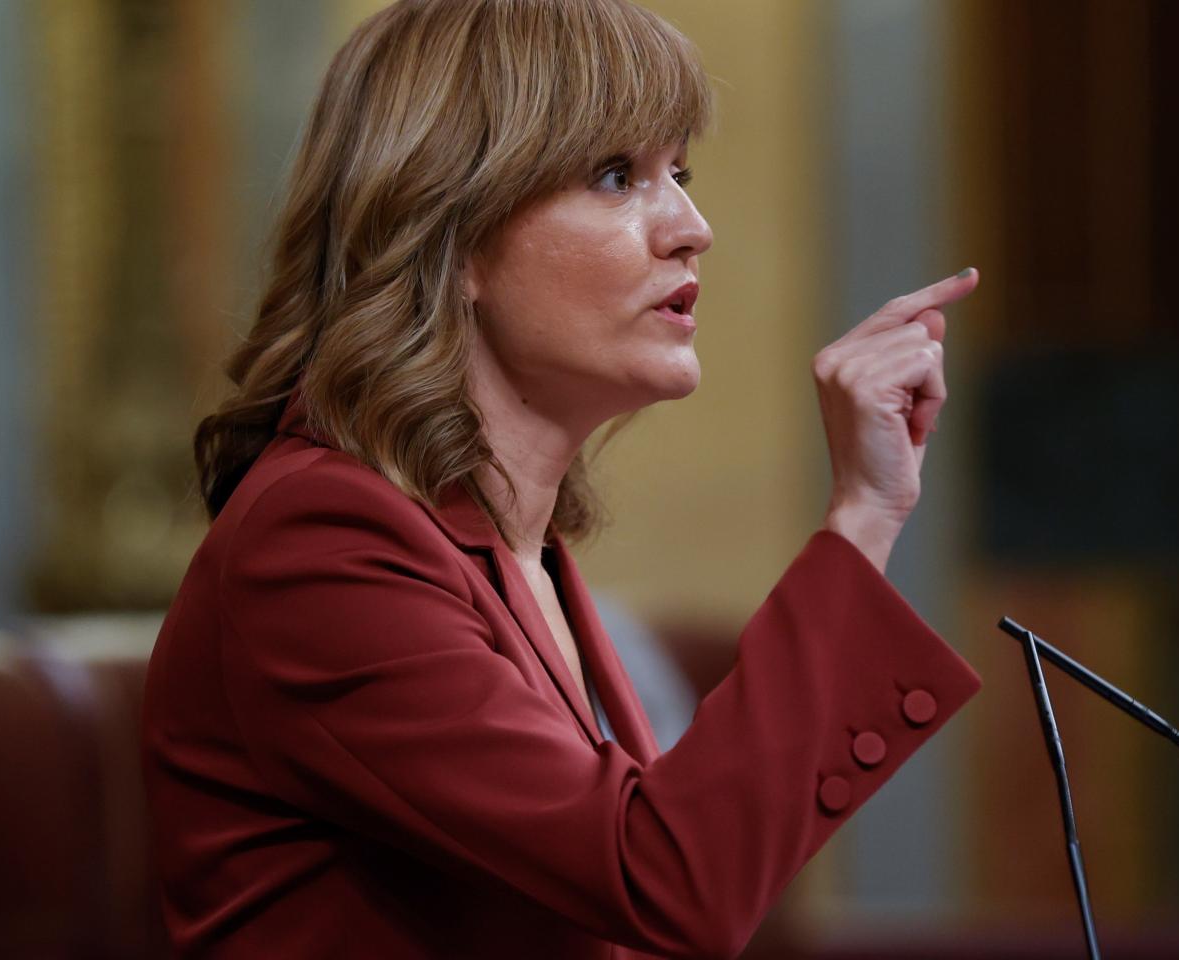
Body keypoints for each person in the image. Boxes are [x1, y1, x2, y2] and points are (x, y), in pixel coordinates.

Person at [140, 0, 982, 956]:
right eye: (617, 176)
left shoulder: (508, 544)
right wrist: (863, 513)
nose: (693, 228)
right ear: (452, 235)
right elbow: (667, 876)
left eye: (680, 174)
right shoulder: (319, 544)